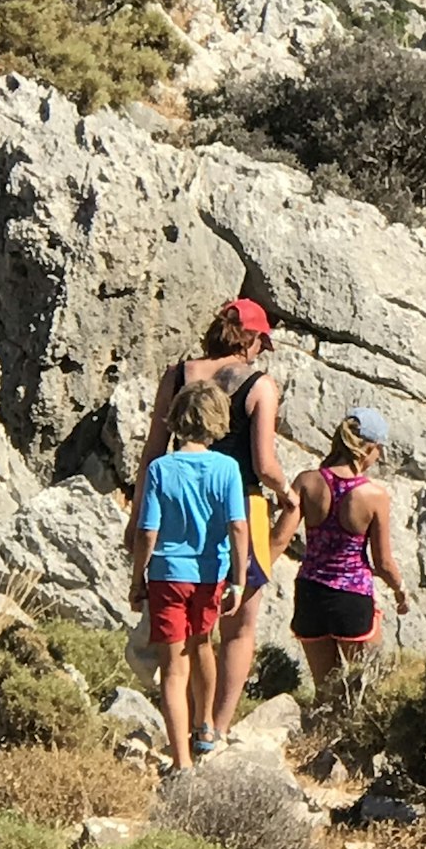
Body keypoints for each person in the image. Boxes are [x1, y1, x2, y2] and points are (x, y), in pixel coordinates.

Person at [132, 299, 298, 739]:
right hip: (242, 504)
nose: (263, 350)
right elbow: (263, 464)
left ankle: (186, 722)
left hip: (179, 501)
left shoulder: (180, 374)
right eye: (262, 340)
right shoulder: (260, 385)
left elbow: (152, 451)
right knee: (238, 626)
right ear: (251, 339)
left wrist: (137, 518)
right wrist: (287, 492)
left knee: (184, 627)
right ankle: (216, 728)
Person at [130, 380, 249, 772]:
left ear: (178, 419)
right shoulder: (228, 468)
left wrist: (138, 578)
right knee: (203, 646)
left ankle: (181, 762)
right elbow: (237, 526)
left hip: (167, 574)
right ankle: (206, 729)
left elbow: (148, 530)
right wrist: (239, 576)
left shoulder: (161, 469)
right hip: (210, 574)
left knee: (174, 667)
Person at [274, 406, 410, 689]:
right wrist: (400, 591)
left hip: (311, 593)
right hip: (351, 598)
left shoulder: (306, 482)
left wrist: (248, 579)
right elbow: (383, 561)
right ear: (368, 448)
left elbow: (279, 539)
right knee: (371, 688)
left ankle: (320, 733)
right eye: (378, 449)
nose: (379, 456)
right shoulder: (374, 496)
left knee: (326, 690)